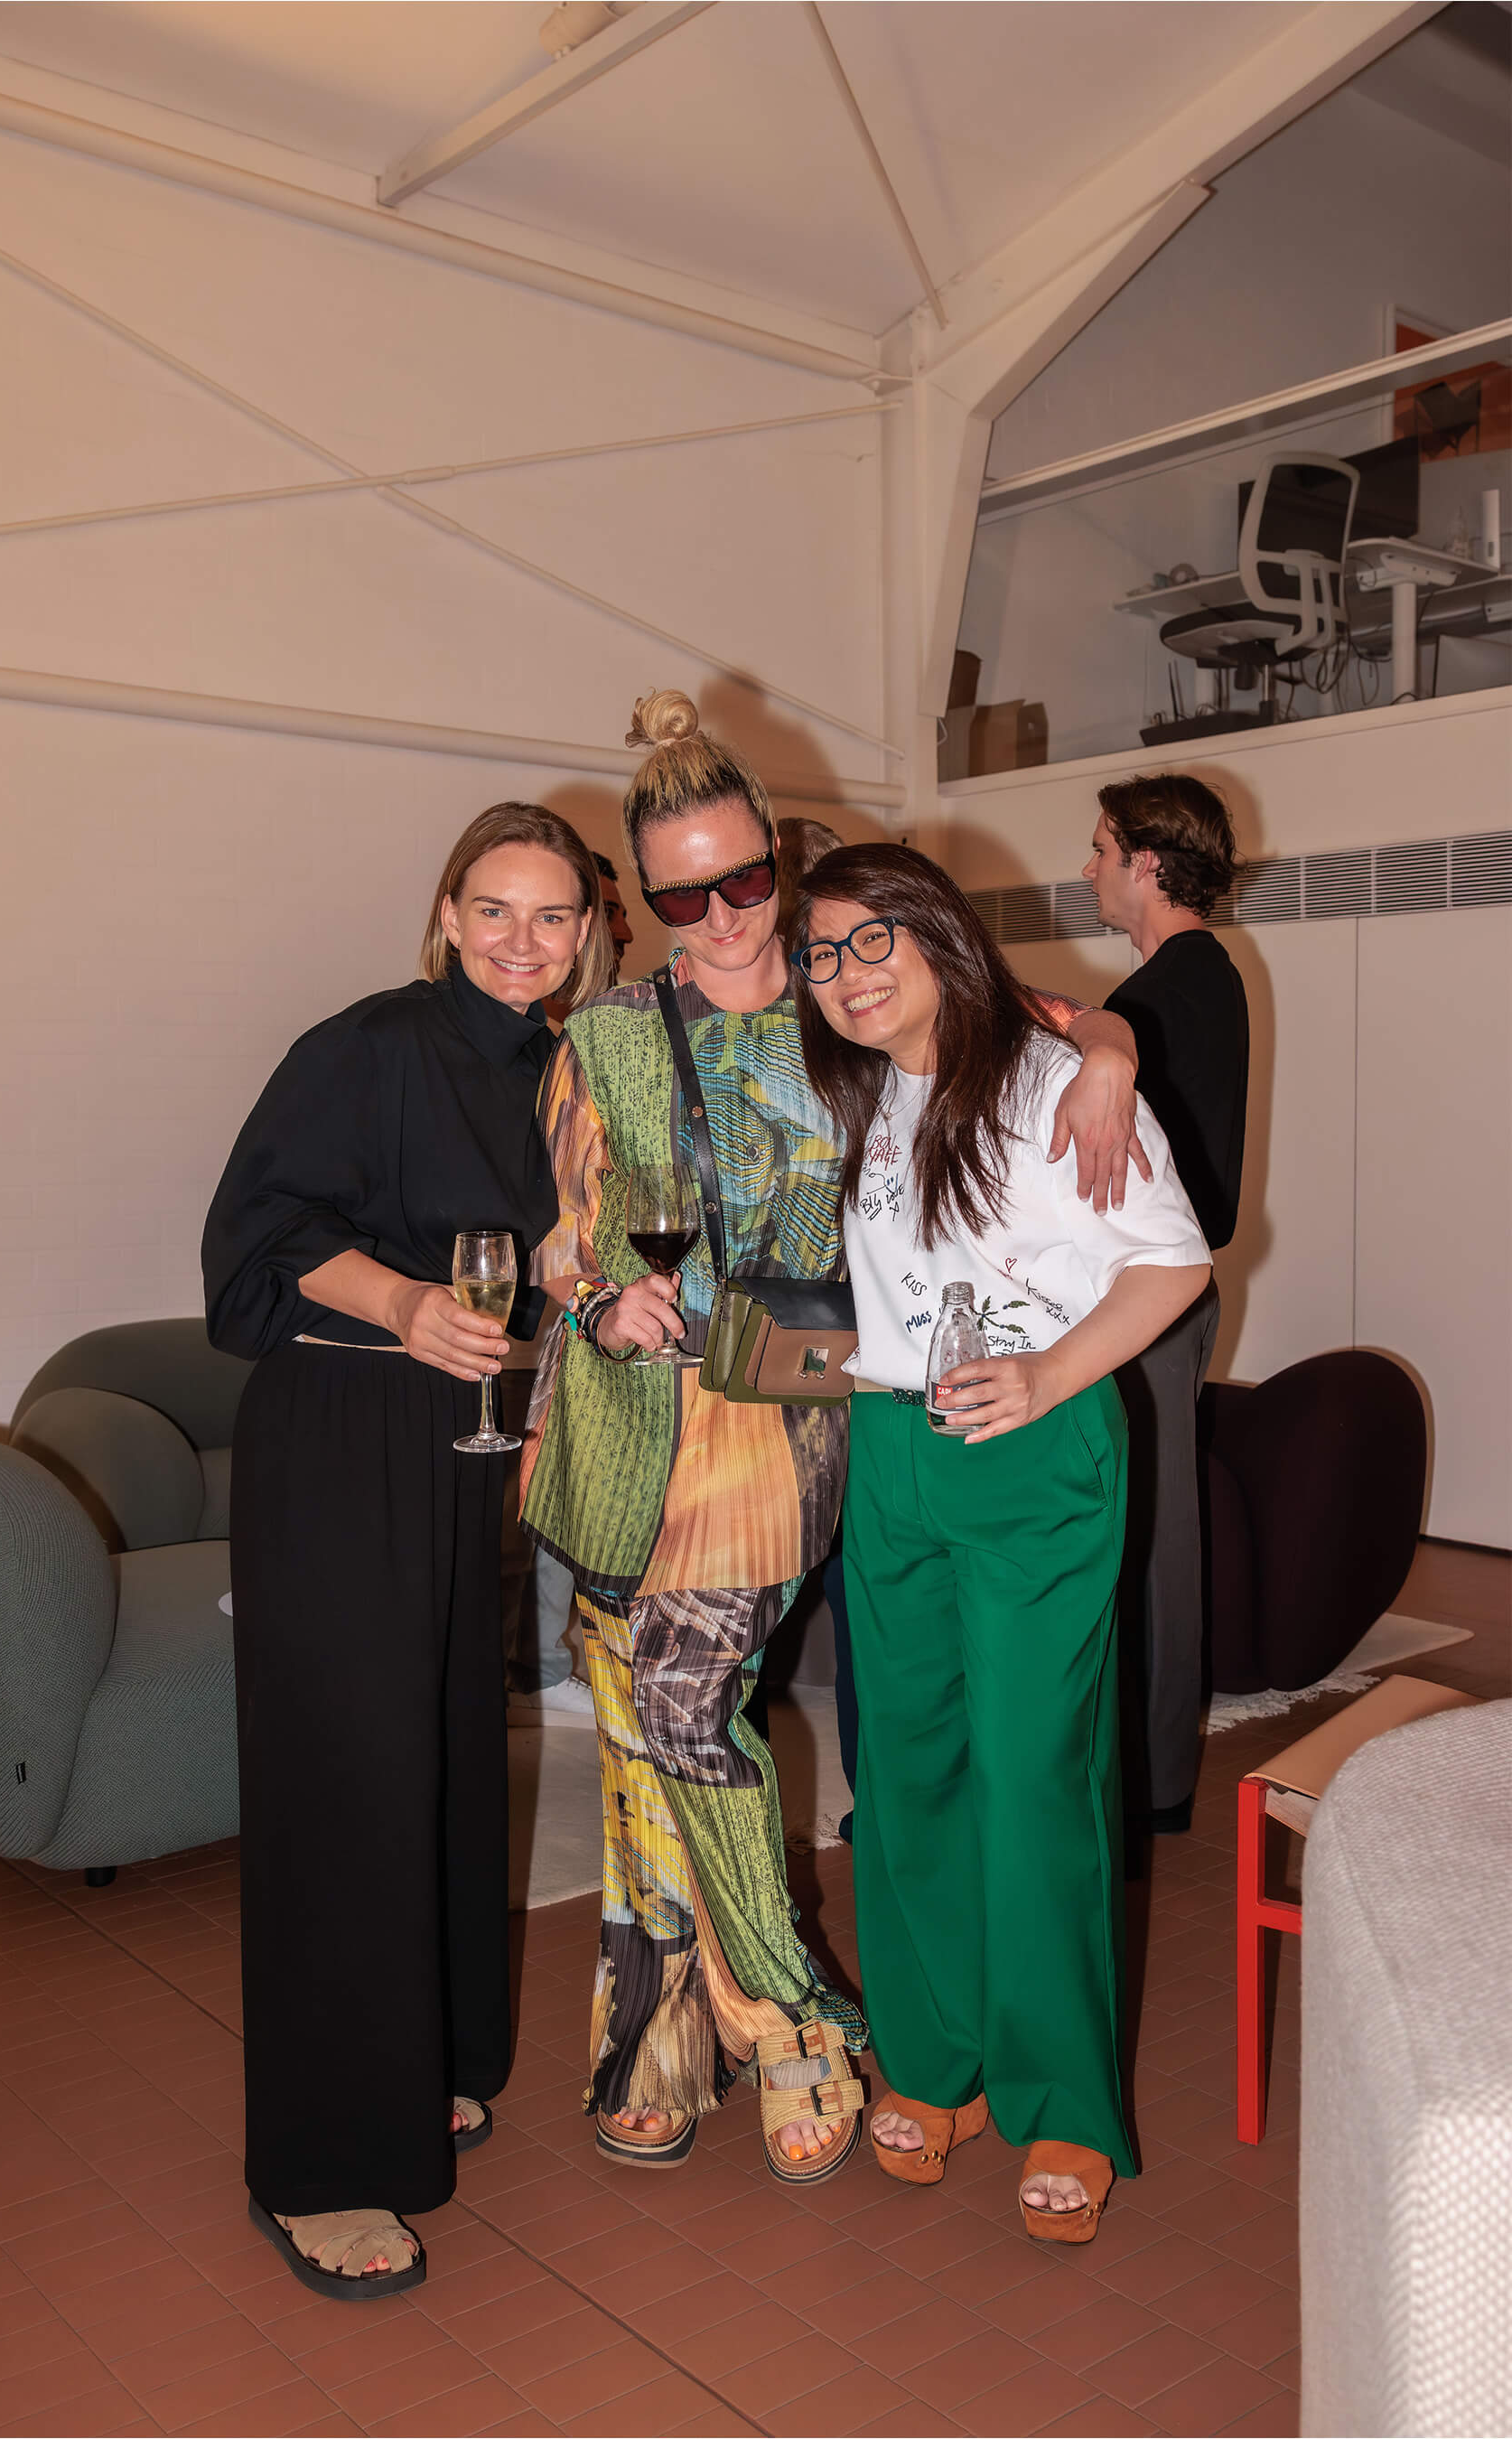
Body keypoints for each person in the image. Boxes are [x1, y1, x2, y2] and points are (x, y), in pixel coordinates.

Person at [519, 692, 1149, 2184]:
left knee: (685, 1708)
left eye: (747, 880)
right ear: (645, 901)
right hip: (622, 1432)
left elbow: (1042, 1025)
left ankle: (803, 2021)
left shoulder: (847, 1016)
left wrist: (1117, 1044)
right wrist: (601, 1292)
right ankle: (656, 2041)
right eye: (684, 894)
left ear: (783, 865)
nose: (725, 916)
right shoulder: (601, 1035)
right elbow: (560, 1244)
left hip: (778, 1425)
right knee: (638, 1744)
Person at [202, 803, 611, 2295]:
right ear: (445, 915)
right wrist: (400, 1304)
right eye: (493, 910)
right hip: (338, 1438)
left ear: (585, 933)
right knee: (344, 1793)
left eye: (551, 916)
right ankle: (319, 2169)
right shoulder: (365, 1045)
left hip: (454, 1457)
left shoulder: (558, 1070)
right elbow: (254, 1239)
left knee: (438, 1761)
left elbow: (556, 1252)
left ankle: (423, 2058)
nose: (521, 940)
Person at [794, 841, 1210, 2240]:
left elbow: (1176, 1262)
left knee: (1038, 1777)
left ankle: (1066, 2105)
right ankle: (934, 2062)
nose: (843, 976)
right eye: (821, 952)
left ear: (934, 937)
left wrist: (1048, 1376)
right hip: (900, 1450)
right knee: (905, 1773)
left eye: (869, 942)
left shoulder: (1051, 1082)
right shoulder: (859, 1091)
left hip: (1036, 1448)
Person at [1086, 773, 1248, 1832]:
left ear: (1148, 863)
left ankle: (1145, 1786)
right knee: (1152, 1532)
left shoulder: (1166, 990)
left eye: (1100, 848)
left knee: (1145, 1538)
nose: (1086, 868)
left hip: (1154, 1298)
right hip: (1164, 1295)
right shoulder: (1197, 977)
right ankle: (1149, 1775)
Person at [507, 851, 635, 1725]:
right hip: (575, 1288)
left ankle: (568, 1659)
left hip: (614, 1293)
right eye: (607, 910)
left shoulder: (629, 1025)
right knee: (563, 1474)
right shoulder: (555, 1042)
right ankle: (548, 1662)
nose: (623, 925)